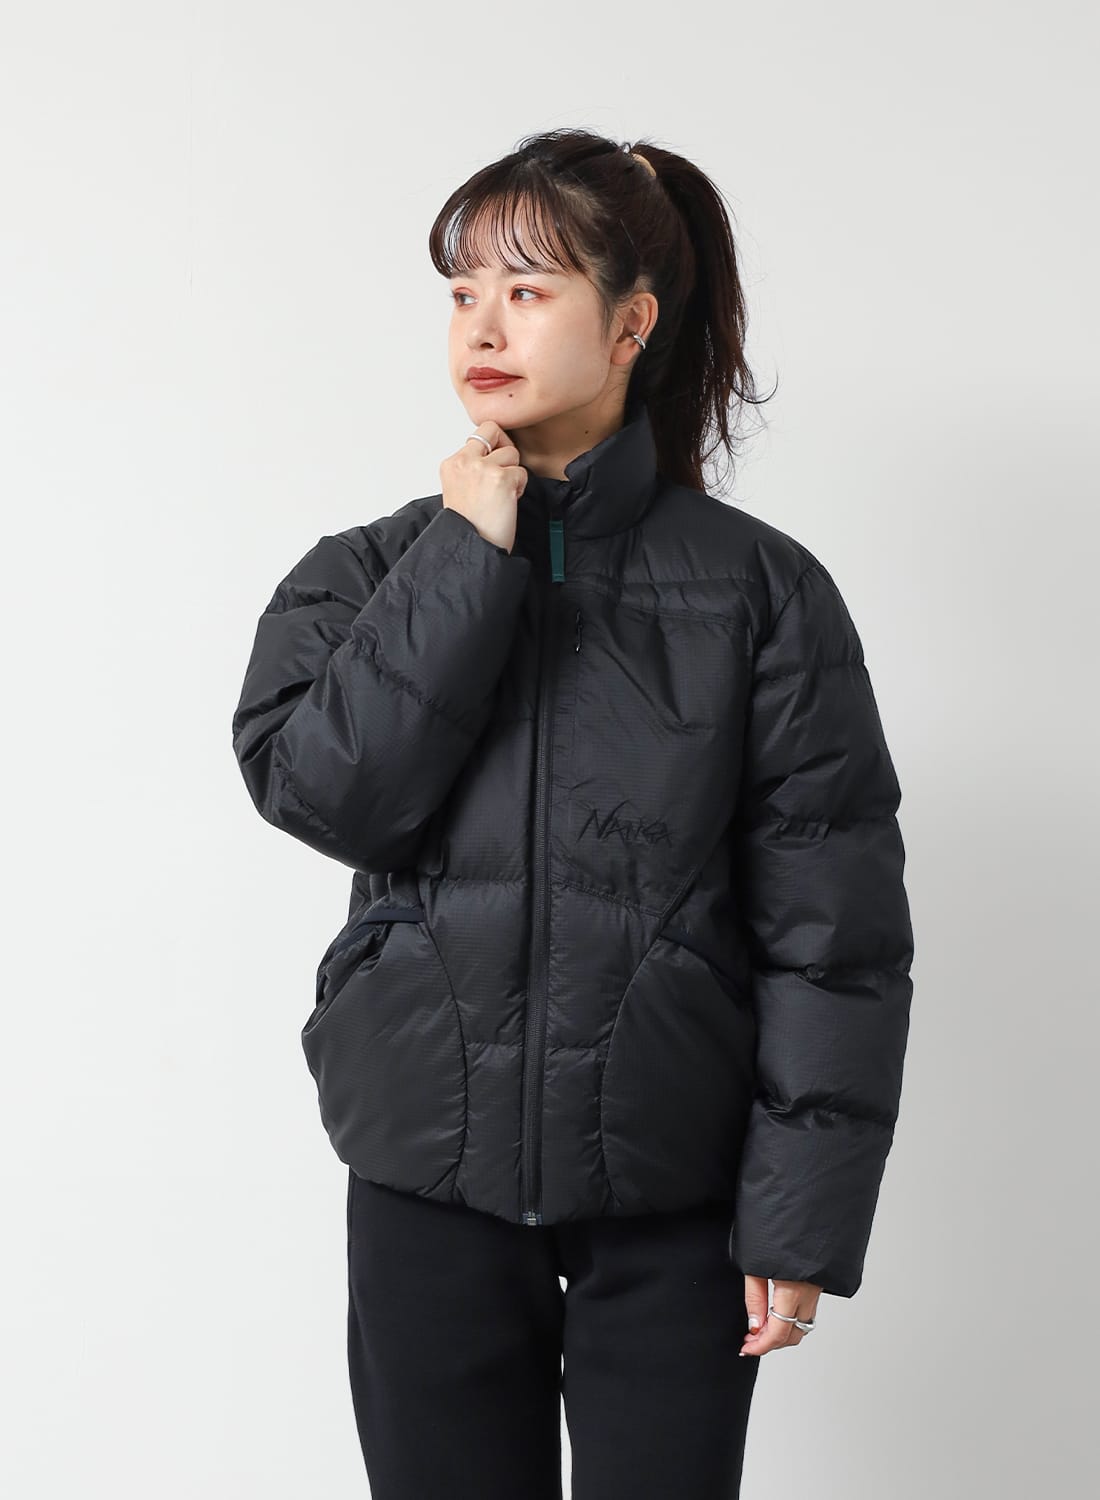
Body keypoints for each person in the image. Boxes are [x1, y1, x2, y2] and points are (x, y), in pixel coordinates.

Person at [230, 127, 915, 1500]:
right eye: (463, 291)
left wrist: (800, 1215)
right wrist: (464, 557)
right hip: (427, 1176)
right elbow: (328, 793)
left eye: (528, 289)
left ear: (630, 325)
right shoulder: (366, 574)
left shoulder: (762, 594)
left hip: (672, 1201)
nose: (483, 326)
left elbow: (833, 936)